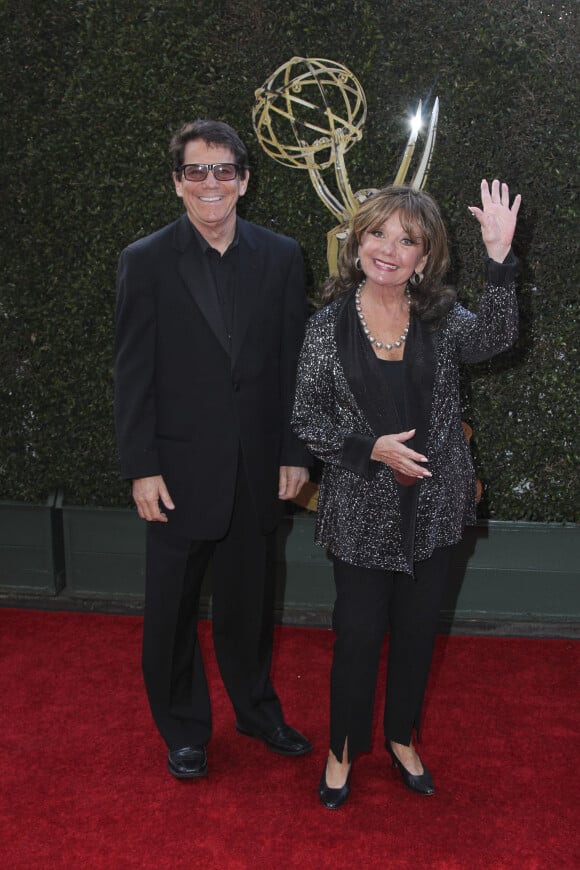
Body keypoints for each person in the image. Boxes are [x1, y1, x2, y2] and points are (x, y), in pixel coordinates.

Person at [292, 179, 521, 808]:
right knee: (359, 636)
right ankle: (342, 749)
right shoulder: (326, 326)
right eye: (378, 233)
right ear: (357, 241)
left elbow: (498, 339)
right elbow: (308, 418)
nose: (389, 248)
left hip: (436, 510)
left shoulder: (443, 320)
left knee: (418, 635)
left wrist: (500, 258)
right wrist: (371, 449)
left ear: (425, 256)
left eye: (407, 239)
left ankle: (401, 739)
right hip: (361, 513)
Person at [114, 119, 313, 779]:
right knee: (170, 612)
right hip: (176, 472)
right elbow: (133, 373)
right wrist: (141, 466)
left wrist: (294, 452)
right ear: (177, 182)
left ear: (244, 180)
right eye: (196, 171)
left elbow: (293, 365)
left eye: (223, 170)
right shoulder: (144, 261)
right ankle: (184, 729)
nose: (210, 183)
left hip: (258, 469)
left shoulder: (283, 256)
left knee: (250, 609)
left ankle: (257, 712)